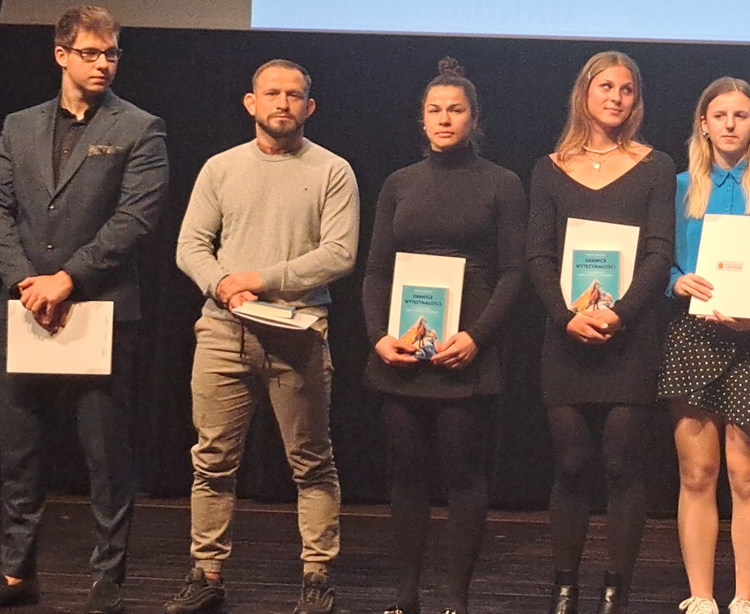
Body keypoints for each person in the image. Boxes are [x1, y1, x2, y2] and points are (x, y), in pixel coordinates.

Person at [0, 6, 170, 614]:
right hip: (24, 306)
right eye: (91, 53)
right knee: (20, 454)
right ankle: (17, 574)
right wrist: (26, 282)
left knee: (106, 456)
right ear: (61, 55)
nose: (103, 64)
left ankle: (107, 579)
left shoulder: (141, 128)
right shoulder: (19, 125)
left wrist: (67, 279)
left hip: (98, 309)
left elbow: (134, 220)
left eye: (112, 54)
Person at [166, 60, 360, 614]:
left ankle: (317, 578)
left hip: (298, 333)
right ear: (251, 103)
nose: (283, 103)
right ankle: (206, 574)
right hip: (224, 331)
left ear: (309, 107)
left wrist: (258, 278)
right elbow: (190, 246)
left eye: (294, 95)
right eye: (271, 93)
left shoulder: (333, 170)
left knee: (312, 461)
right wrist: (222, 284)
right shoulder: (221, 167)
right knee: (212, 459)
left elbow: (339, 254)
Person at [363, 59, 526, 614]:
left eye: (456, 110)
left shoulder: (502, 183)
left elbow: (513, 272)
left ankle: (455, 599)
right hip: (402, 353)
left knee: (463, 476)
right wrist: (378, 336)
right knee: (406, 478)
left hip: (465, 355)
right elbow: (376, 272)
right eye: (434, 110)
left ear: (474, 118)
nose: (445, 118)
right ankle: (405, 598)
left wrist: (478, 336)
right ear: (422, 118)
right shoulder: (399, 183)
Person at [524, 51, 675, 614]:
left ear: (637, 101)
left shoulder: (656, 166)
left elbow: (660, 251)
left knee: (620, 464)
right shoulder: (549, 169)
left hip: (629, 339)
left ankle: (616, 592)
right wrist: (567, 315)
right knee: (571, 465)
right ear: (584, 93)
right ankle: (564, 589)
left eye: (627, 89)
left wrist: (621, 313)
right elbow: (538, 255)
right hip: (565, 337)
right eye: (606, 86)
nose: (616, 97)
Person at [661, 77, 750, 614]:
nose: (729, 124)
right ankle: (700, 594)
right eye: (719, 115)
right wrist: (676, 281)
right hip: (693, 337)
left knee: (747, 475)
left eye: (740, 115)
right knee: (697, 474)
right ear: (703, 124)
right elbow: (659, 258)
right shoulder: (678, 186)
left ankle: (744, 598)